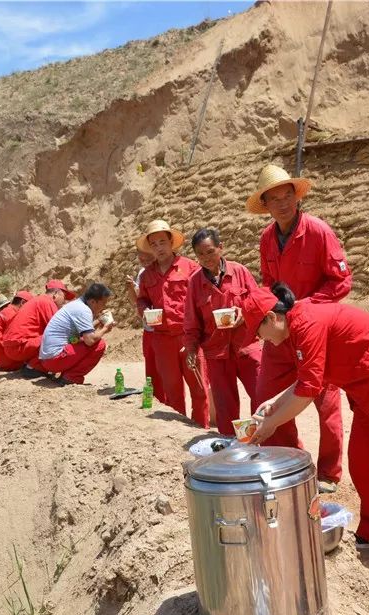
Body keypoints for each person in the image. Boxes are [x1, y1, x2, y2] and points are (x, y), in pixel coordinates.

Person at [242, 283, 369, 595]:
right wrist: (275, 402)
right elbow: (311, 376)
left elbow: (310, 390)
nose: (262, 341)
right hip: (364, 389)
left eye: (259, 333)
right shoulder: (295, 328)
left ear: (272, 318)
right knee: (363, 463)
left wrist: (270, 424)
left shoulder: (307, 323)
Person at [247, 163, 349, 493]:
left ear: (296, 196)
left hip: (316, 327)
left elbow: (341, 281)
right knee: (265, 393)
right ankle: (289, 459)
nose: (282, 203)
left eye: (287, 195)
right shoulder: (266, 239)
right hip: (280, 329)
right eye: (274, 198)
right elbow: (268, 283)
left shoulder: (318, 231)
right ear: (265, 205)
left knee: (325, 399)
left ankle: (329, 472)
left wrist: (307, 307)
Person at [183, 228, 262, 435]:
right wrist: (191, 350)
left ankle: (263, 442)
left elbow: (259, 302)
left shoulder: (240, 271)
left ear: (220, 247)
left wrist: (243, 313)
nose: (206, 258)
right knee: (225, 406)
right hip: (216, 353)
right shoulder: (195, 283)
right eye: (200, 255)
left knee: (261, 396)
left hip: (247, 347)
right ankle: (233, 446)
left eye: (210, 252)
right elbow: (191, 322)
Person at [135, 219, 210, 428]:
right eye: (154, 244)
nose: (159, 248)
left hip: (189, 338)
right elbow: (142, 299)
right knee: (172, 391)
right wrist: (145, 311)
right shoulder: (147, 274)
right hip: (162, 340)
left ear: (171, 242)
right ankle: (180, 435)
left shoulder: (190, 268)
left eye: (162, 242)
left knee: (199, 389)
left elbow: (202, 296)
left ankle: (200, 431)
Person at [39, 283, 115, 384]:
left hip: (48, 359)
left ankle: (67, 376)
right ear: (93, 301)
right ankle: (71, 377)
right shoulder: (83, 310)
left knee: (83, 340)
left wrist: (99, 321)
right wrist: (105, 328)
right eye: (103, 303)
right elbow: (90, 340)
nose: (104, 306)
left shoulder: (77, 305)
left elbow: (83, 332)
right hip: (54, 359)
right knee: (99, 344)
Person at [0, 280, 75, 376]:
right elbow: (59, 331)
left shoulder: (39, 300)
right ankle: (34, 367)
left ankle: (31, 365)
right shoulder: (47, 302)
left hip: (13, 347)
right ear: (56, 294)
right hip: (18, 347)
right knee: (58, 338)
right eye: (64, 297)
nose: (64, 301)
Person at [125, 247, 164, 402]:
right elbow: (137, 301)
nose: (146, 262)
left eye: (149, 258)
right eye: (142, 260)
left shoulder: (165, 270)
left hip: (166, 331)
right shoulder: (143, 274)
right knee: (152, 370)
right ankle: (157, 401)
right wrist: (130, 288)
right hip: (149, 329)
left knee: (167, 372)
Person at [0, 291, 34, 371]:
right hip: (10, 361)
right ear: (23, 303)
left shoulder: (7, 312)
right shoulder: (12, 314)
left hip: (2, 359)